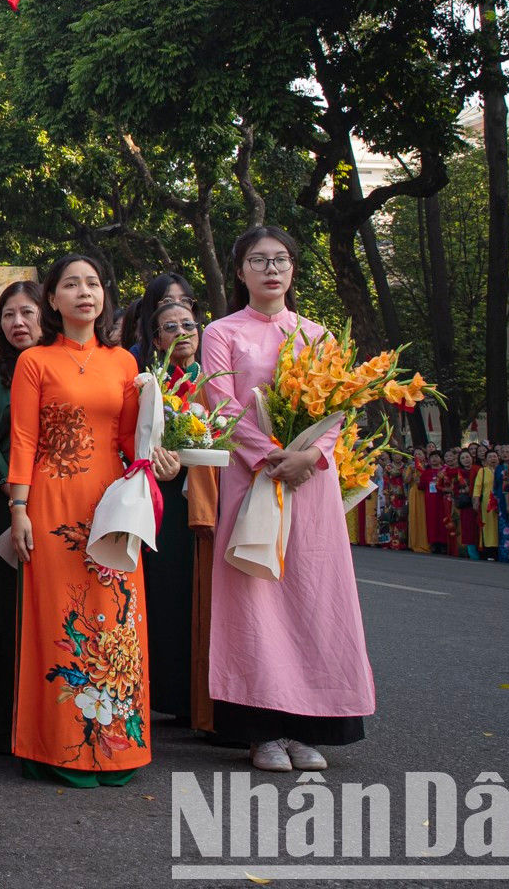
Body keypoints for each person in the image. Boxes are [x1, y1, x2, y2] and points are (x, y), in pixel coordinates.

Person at [203, 226, 374, 773]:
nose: (271, 269)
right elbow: (221, 404)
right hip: (254, 479)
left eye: (280, 259)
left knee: (313, 599)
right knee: (254, 601)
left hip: (310, 483)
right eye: (258, 260)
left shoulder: (318, 334)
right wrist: (273, 456)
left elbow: (339, 403)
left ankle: (309, 728)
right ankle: (261, 733)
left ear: (294, 269)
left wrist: (312, 456)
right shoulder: (221, 332)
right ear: (240, 272)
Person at [6, 253, 157, 786]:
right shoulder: (36, 361)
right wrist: (18, 507)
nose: (83, 293)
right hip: (51, 503)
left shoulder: (125, 364)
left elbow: (130, 441)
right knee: (58, 620)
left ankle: (115, 747)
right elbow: (23, 439)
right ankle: (59, 744)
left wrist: (165, 453)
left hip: (112, 503)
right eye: (70, 284)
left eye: (92, 283)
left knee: (117, 618)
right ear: (53, 299)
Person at [0, 280, 42, 753]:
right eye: (9, 315)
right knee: (7, 610)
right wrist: (14, 492)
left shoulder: (62, 366)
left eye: (27, 313)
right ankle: (2, 721)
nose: (18, 323)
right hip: (9, 505)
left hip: (60, 501)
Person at [139, 298, 211, 729]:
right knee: (168, 593)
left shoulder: (218, 380)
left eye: (189, 324)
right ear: (156, 339)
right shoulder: (151, 383)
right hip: (165, 491)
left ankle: (206, 697)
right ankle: (171, 693)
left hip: (209, 494)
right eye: (171, 327)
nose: (182, 332)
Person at [126, 273, 197, 368]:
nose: (177, 305)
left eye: (184, 300)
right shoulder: (137, 355)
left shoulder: (209, 346)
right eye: (167, 301)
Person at [407, 448, 432, 554]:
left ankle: (426, 543)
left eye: (420, 454)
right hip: (414, 492)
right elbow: (406, 480)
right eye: (415, 454)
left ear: (424, 455)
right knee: (414, 516)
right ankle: (415, 543)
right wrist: (412, 472)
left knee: (425, 517)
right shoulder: (411, 467)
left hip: (425, 492)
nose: (418, 456)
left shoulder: (428, 467)